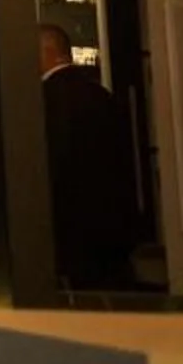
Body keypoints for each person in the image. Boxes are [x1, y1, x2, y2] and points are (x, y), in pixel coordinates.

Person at [40, 22, 142, 290]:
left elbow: (52, 163)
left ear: (47, 52)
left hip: (69, 226)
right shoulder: (101, 95)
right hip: (112, 220)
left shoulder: (43, 100)